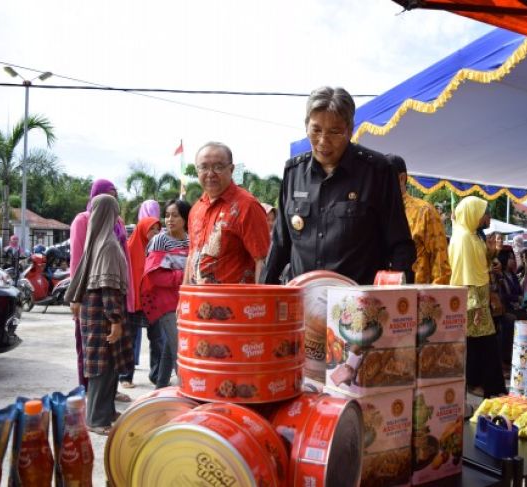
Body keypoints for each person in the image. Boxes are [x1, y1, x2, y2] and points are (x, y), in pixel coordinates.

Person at [261, 86, 415, 285]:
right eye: (316, 130)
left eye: (335, 132)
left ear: (350, 130)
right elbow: (280, 245)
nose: (323, 141)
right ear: (306, 126)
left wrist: (399, 302)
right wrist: (263, 294)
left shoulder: (378, 171)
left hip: (358, 306)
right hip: (301, 303)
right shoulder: (293, 172)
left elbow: (400, 244)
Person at [64, 194, 131, 435]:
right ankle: (97, 419)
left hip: (92, 314)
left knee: (104, 364)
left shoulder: (95, 242)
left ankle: (106, 411)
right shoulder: (109, 245)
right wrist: (115, 320)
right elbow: (109, 287)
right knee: (104, 366)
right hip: (103, 314)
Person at [184, 142, 270, 284]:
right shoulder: (196, 209)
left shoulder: (247, 206)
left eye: (218, 167)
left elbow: (262, 260)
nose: (210, 174)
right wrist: (183, 299)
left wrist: (261, 302)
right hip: (197, 303)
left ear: (231, 169)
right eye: (204, 167)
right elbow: (191, 256)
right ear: (197, 170)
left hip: (234, 304)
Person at [449, 196, 506, 398]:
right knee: (481, 343)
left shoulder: (473, 235)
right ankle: (483, 385)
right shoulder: (463, 238)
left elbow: (480, 265)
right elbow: (464, 273)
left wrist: (491, 254)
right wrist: (476, 303)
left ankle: (483, 385)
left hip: (479, 295)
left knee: (481, 343)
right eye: (482, 212)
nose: (485, 217)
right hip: (472, 297)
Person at [141, 199, 191, 388]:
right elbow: (155, 277)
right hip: (165, 302)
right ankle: (187, 390)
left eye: (175, 215)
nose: (170, 219)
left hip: (186, 300)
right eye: (167, 215)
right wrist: (184, 276)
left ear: (186, 218)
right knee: (181, 348)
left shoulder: (191, 239)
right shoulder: (159, 240)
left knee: (171, 347)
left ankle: (160, 386)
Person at [386, 153, 450, 284]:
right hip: (381, 295)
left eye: (384, 178)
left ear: (401, 178)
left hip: (416, 296)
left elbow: (440, 263)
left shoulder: (424, 212)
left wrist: (432, 301)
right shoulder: (376, 212)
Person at [118, 215, 160, 389]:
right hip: (134, 301)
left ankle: (156, 375)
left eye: (158, 230)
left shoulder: (158, 249)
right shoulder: (128, 248)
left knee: (157, 340)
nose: (155, 233)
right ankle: (125, 376)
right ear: (143, 229)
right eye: (152, 229)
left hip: (153, 301)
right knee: (130, 339)